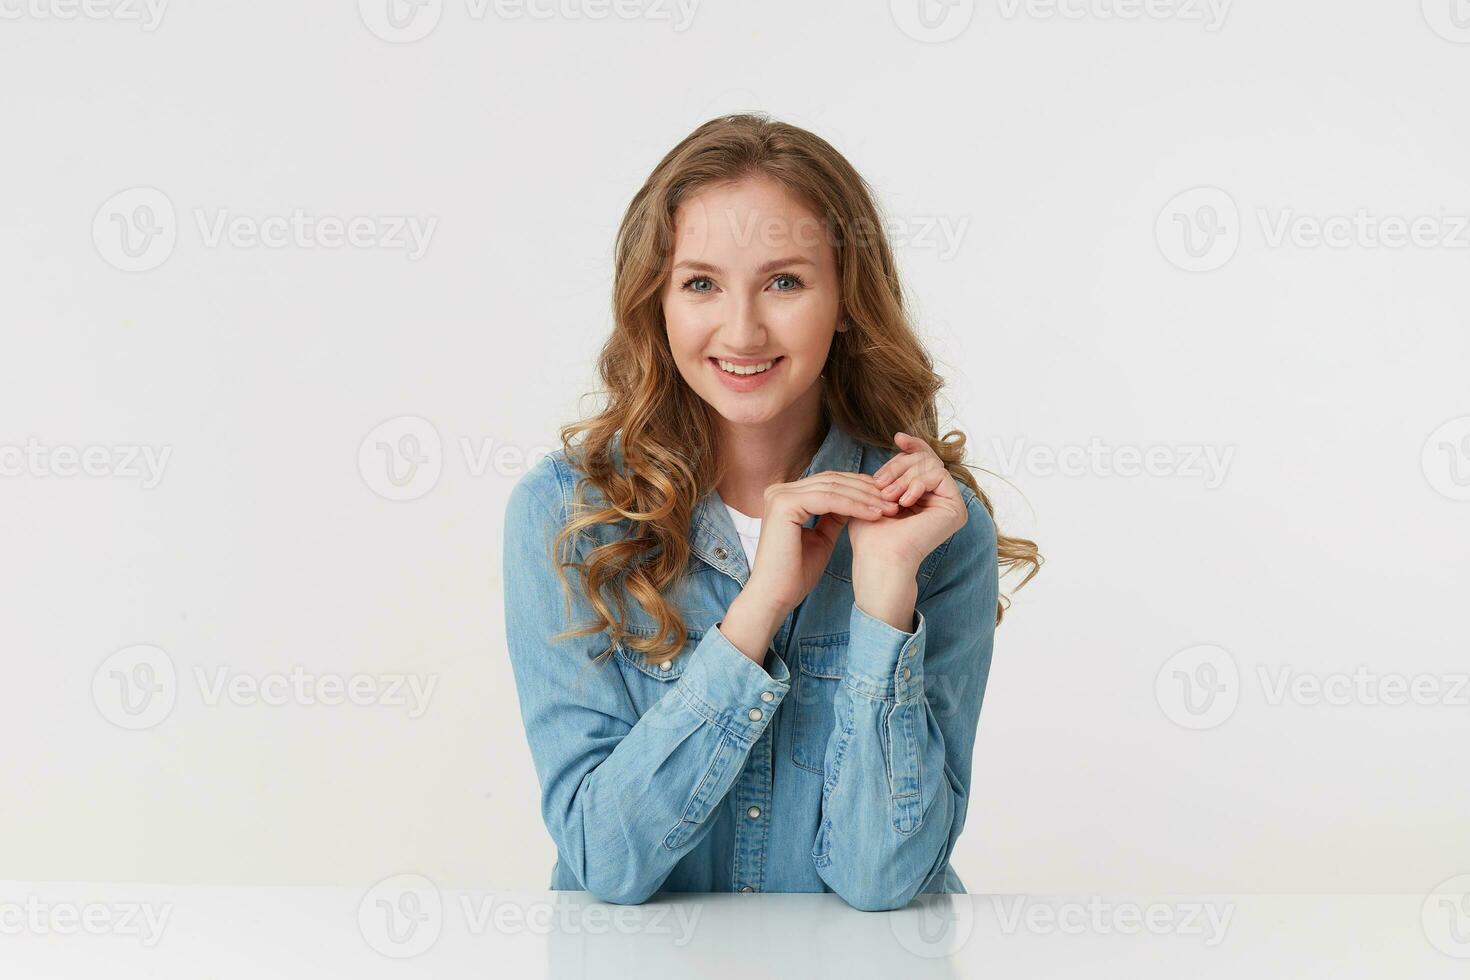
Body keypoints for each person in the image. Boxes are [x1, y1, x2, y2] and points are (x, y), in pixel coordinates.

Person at [502, 113, 1040, 911]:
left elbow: (882, 878)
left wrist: (885, 590)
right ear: (658, 300)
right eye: (701, 284)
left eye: (785, 281)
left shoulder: (934, 526)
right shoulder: (567, 514)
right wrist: (758, 611)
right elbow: (601, 859)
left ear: (847, 300)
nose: (743, 329)